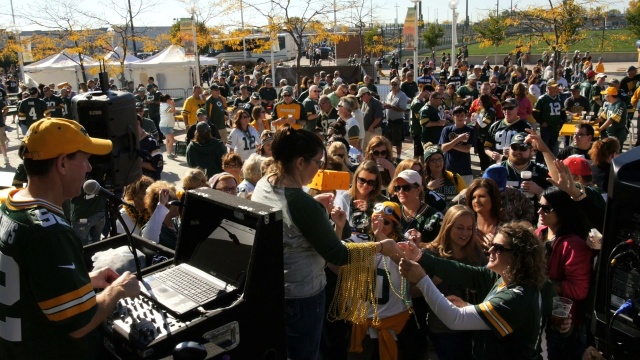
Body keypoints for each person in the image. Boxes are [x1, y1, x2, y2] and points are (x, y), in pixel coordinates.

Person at [250, 126, 396, 359]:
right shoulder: (301, 203)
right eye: (317, 162)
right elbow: (338, 255)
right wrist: (381, 247)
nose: (320, 167)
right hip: (302, 297)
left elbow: (288, 216)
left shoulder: (265, 183)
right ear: (299, 162)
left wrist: (312, 202)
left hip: (278, 288)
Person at [0, 118, 140, 359]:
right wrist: (116, 290)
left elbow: (31, 280)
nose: (88, 168)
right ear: (62, 163)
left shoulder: (9, 205)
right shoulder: (48, 231)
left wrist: (84, 280)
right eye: (84, 159)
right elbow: (79, 323)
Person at [398, 221, 549, 360]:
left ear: (517, 256)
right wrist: (419, 256)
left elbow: (455, 319)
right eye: (492, 244)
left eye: (498, 248)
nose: (490, 250)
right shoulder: (504, 277)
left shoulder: (516, 297)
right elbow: (462, 272)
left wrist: (422, 280)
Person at [348, 201, 420, 360]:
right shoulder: (360, 241)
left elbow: (407, 265)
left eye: (385, 222)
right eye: (376, 220)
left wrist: (381, 238)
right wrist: (339, 227)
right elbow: (337, 254)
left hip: (395, 324)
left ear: (395, 225)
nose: (379, 225)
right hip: (364, 323)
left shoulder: (404, 246)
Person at [423, 205, 487, 360]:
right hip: (444, 328)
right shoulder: (431, 254)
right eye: (459, 228)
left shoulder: (477, 253)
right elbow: (411, 292)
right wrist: (435, 281)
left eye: (469, 228)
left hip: (472, 325)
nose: (465, 233)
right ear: (448, 227)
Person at [536, 187, 593, 360]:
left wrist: (546, 285)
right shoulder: (540, 233)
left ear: (561, 211)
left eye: (546, 208)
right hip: (538, 318)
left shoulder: (574, 245)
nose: (539, 211)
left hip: (560, 326)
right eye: (539, 206)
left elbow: (580, 289)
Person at [388, 169, 443, 243]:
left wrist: (420, 244)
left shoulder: (436, 218)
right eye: (397, 188)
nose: (400, 191)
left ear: (418, 190)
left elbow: (441, 247)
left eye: (406, 188)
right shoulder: (392, 213)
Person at [334, 160, 387, 235]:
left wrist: (370, 211)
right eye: (362, 180)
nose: (365, 185)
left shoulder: (382, 202)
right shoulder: (345, 197)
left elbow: (385, 230)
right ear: (356, 179)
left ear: (376, 184)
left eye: (370, 182)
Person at [440, 106, 475, 185]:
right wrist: (458, 139)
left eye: (462, 115)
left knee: (465, 195)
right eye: (457, 115)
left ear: (465, 116)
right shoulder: (447, 130)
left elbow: (466, 149)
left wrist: (451, 145)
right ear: (453, 117)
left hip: (465, 169)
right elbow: (443, 148)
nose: (460, 117)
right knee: (450, 195)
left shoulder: (470, 130)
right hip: (449, 169)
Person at [141, 181, 180, 249]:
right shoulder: (153, 227)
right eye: (175, 201)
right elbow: (149, 238)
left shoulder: (176, 222)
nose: (178, 204)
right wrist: (161, 205)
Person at [384, 78, 409, 161]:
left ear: (399, 85)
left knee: (398, 140)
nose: (393, 86)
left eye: (395, 84)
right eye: (392, 84)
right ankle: (390, 155)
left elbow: (402, 108)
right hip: (389, 120)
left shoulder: (402, 95)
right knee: (389, 140)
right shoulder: (389, 94)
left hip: (397, 120)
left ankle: (398, 157)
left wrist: (390, 106)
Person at [159, 94, 176, 159]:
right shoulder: (164, 105)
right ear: (167, 100)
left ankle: (169, 153)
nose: (171, 100)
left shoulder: (165, 105)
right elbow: (172, 111)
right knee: (171, 140)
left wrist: (172, 105)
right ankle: (169, 154)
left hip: (167, 124)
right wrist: (173, 105)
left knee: (168, 140)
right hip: (166, 125)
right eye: (170, 99)